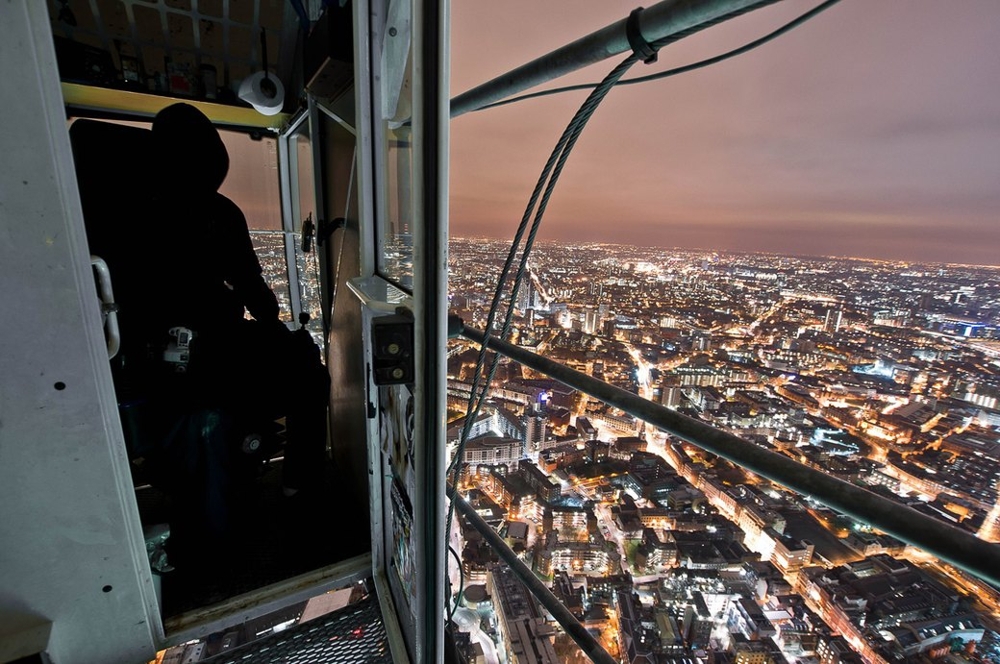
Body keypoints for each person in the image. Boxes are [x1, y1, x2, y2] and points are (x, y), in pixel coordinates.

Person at [136, 104, 330, 560]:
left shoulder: (131, 207)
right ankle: (298, 488)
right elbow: (261, 301)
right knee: (309, 370)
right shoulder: (217, 212)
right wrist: (271, 325)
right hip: (214, 358)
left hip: (152, 369)